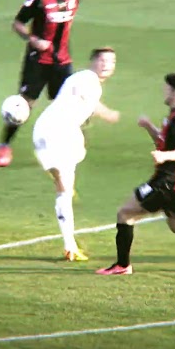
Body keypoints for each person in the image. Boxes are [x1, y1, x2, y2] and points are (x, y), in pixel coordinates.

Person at [96, 72, 175, 275]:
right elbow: (165, 142)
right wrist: (149, 127)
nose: (163, 91)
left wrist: (164, 157)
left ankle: (123, 265)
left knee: (125, 213)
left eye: (166, 88)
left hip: (168, 180)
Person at [33, 47, 120, 261]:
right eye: (103, 60)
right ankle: (69, 246)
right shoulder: (86, 78)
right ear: (93, 62)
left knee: (77, 155)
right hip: (53, 132)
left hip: (62, 133)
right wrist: (107, 114)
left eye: (111, 62)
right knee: (63, 190)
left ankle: (59, 178)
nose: (107, 65)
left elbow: (85, 101)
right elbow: (88, 99)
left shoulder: (88, 82)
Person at [0, 0, 80, 167]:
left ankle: (63, 146)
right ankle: (4, 146)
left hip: (62, 61)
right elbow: (17, 23)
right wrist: (33, 40)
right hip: (38, 62)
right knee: (23, 105)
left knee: (67, 106)